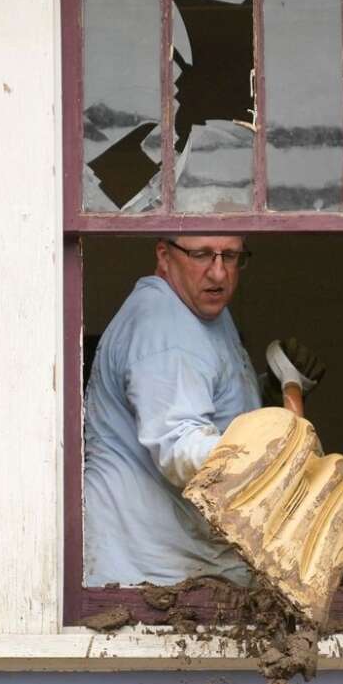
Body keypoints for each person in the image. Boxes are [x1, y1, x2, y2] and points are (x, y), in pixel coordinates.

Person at [82, 235, 265, 587]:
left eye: (230, 256)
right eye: (201, 256)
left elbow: (207, 399)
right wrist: (270, 457)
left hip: (178, 563)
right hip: (147, 577)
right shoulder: (165, 328)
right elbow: (179, 447)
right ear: (164, 256)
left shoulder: (203, 308)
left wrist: (272, 387)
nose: (218, 274)